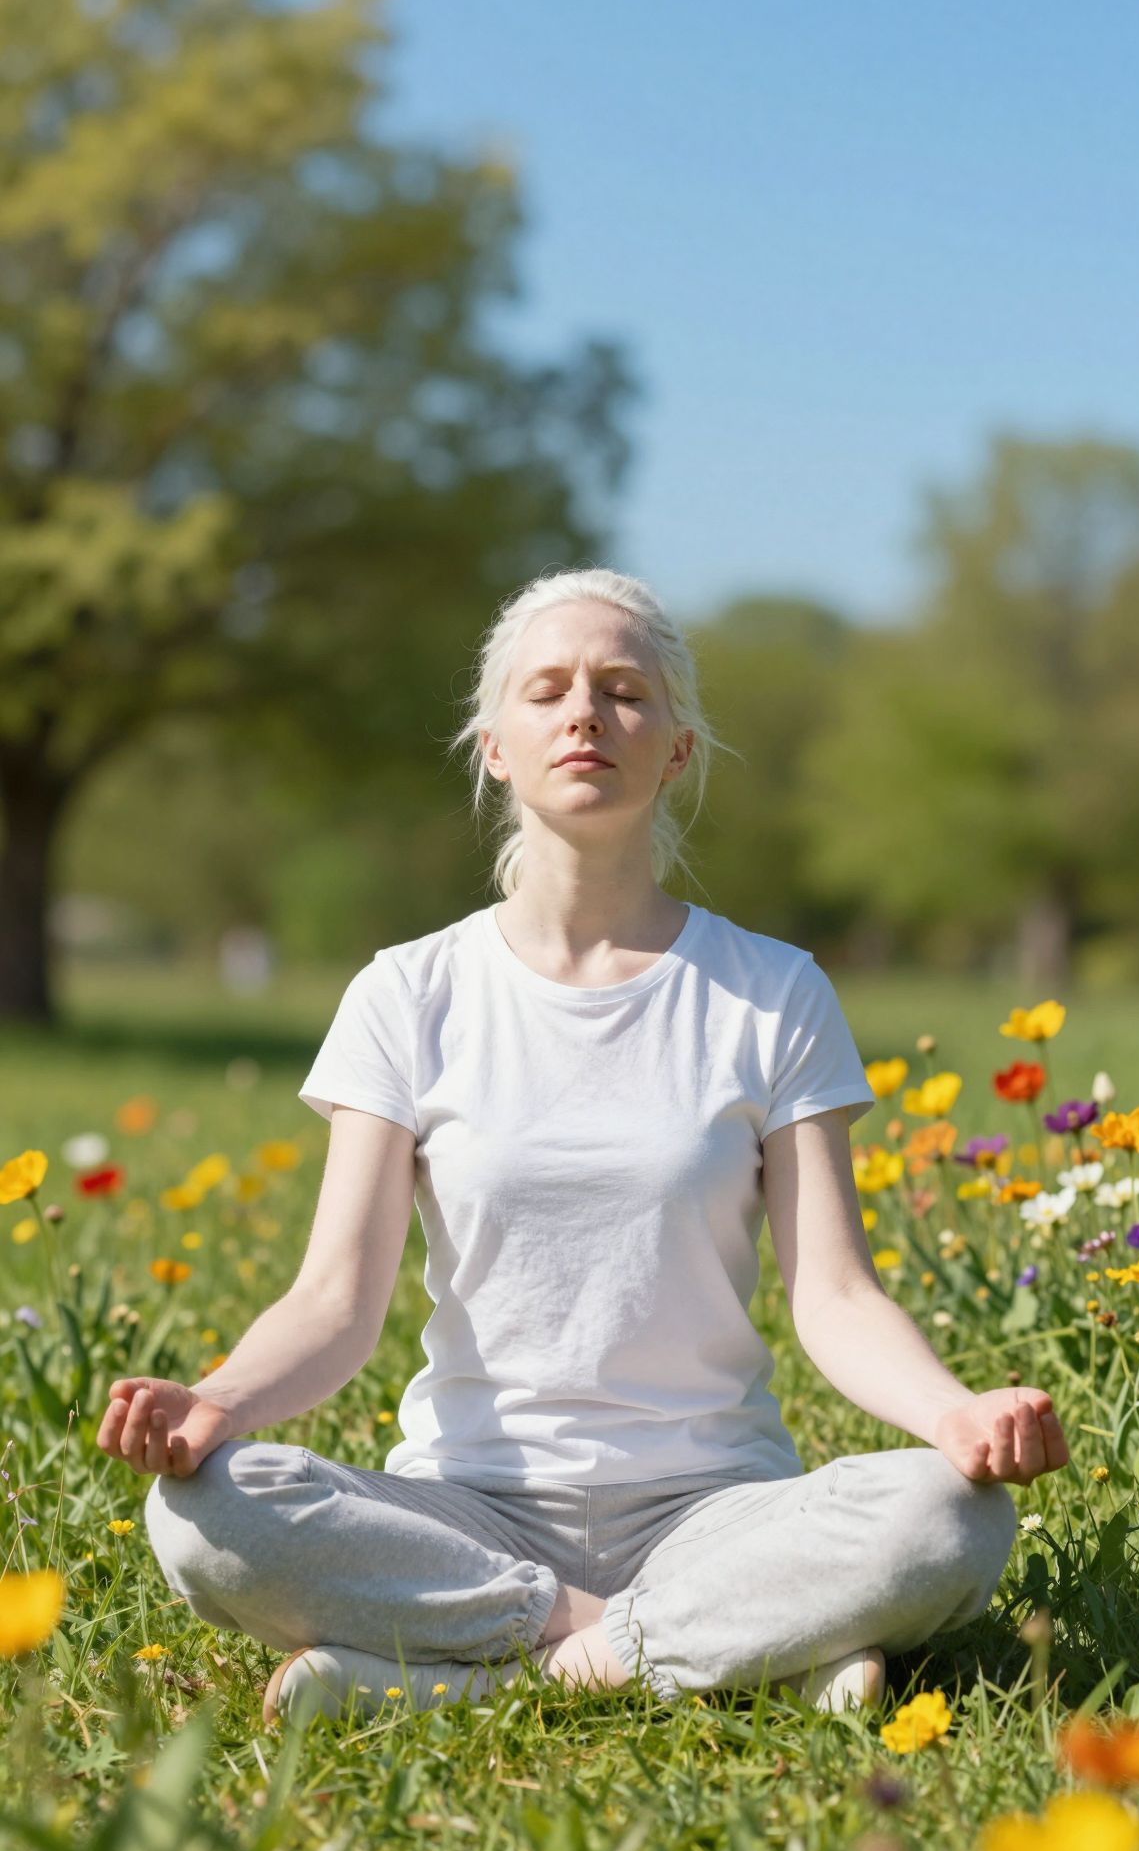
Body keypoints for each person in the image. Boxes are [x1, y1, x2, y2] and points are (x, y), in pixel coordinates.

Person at [99, 568, 1070, 1731]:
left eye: (623, 690)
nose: (586, 714)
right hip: (467, 1511)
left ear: (677, 749)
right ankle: (724, 1651)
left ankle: (472, 1673)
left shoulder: (774, 991)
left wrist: (954, 1414)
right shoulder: (408, 992)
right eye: (548, 689)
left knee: (954, 1515)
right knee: (200, 1510)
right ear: (495, 745)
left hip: (716, 1509)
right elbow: (332, 1302)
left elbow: (837, 1295)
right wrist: (215, 1401)